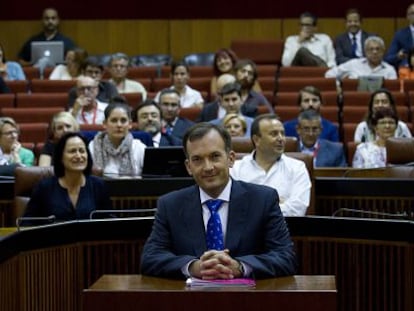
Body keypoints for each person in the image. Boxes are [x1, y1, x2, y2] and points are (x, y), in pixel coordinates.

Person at [141, 122, 297, 279]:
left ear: (230, 159)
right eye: (197, 160)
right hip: (190, 299)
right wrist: (193, 267)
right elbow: (150, 258)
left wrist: (240, 267)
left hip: (248, 298)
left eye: (215, 156)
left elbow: (285, 257)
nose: (208, 167)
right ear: (188, 167)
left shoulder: (263, 199)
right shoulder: (170, 204)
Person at [231, 114, 311, 216]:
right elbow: (233, 208)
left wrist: (252, 207)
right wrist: (276, 204)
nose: (281, 138)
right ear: (257, 140)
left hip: (285, 229)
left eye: (282, 133)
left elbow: (297, 210)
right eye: (274, 134)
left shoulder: (297, 168)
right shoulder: (236, 169)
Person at [23, 132, 112, 222]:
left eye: (82, 151)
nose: (78, 156)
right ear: (61, 157)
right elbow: (27, 223)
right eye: (72, 151)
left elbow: (109, 222)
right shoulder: (44, 188)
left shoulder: (98, 186)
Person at [89, 103, 146, 177]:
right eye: (114, 120)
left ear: (130, 124)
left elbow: (149, 179)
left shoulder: (139, 147)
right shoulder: (93, 146)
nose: (119, 125)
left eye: (123, 120)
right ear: (105, 124)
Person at [325, 36, 397, 80]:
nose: (374, 52)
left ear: (383, 51)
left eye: (378, 49)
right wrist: (339, 86)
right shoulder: (353, 64)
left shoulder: (389, 70)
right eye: (371, 49)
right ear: (365, 51)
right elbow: (329, 74)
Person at [384, 3, 414, 68]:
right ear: (408, 16)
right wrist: (398, 56)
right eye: (413, 13)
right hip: (406, 71)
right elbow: (388, 58)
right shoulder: (400, 35)